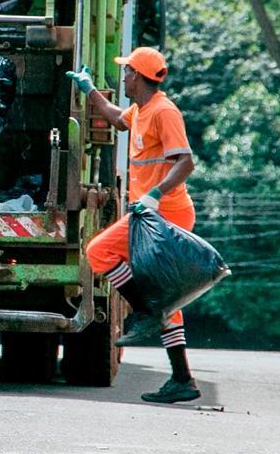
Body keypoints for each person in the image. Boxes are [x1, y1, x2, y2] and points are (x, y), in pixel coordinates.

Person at [68, 47, 200, 404]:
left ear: (139, 77)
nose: (123, 77)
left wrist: (155, 194)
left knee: (99, 250)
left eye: (127, 72)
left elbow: (186, 162)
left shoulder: (164, 112)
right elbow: (116, 118)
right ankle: (182, 377)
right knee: (167, 300)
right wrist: (89, 89)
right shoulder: (141, 110)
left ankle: (145, 313)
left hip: (164, 215)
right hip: (151, 215)